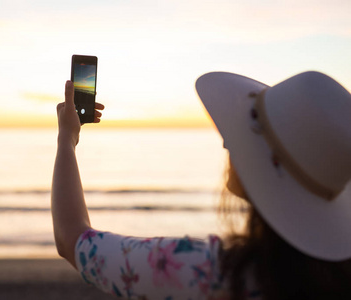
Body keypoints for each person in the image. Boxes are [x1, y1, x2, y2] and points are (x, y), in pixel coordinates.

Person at [52, 72, 351, 300]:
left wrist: (67, 138)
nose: (226, 142)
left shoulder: (209, 271)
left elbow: (73, 241)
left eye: (247, 133)